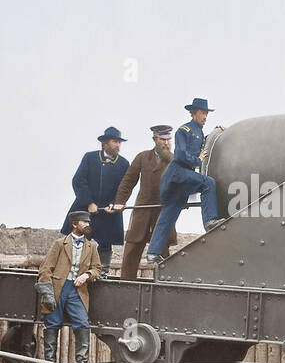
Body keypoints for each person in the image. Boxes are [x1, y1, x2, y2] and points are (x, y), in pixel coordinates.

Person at [145, 97, 227, 264]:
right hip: (177, 175)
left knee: (168, 217)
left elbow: (203, 142)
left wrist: (215, 131)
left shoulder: (199, 132)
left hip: (182, 182)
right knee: (208, 183)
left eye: (206, 113)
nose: (205, 116)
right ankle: (210, 221)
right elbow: (181, 155)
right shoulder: (184, 130)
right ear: (194, 113)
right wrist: (197, 160)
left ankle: (152, 254)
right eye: (202, 113)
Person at [36, 211, 102, 363]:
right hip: (58, 288)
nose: (87, 225)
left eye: (88, 222)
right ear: (74, 224)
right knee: (52, 324)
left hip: (77, 291)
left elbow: (97, 268)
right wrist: (48, 293)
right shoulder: (59, 244)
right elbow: (45, 269)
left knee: (82, 323)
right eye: (84, 222)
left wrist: (86, 275)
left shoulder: (92, 246)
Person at [109, 125, 178, 279]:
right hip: (143, 210)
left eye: (168, 139)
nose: (166, 143)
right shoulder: (142, 157)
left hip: (163, 212)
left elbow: (184, 183)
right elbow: (128, 181)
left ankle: (164, 286)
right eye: (162, 139)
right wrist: (120, 201)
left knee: (163, 252)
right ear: (155, 140)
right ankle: (126, 284)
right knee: (132, 249)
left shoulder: (176, 160)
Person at [66, 126, 129, 277]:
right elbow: (78, 181)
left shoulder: (124, 164)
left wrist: (114, 204)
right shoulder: (90, 158)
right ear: (105, 143)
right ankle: (72, 269)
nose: (118, 145)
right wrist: (89, 202)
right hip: (85, 208)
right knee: (77, 238)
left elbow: (124, 187)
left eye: (119, 142)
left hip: (109, 211)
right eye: (115, 141)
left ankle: (103, 271)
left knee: (105, 243)